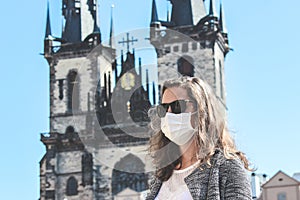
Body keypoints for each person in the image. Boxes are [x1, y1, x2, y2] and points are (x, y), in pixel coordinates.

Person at [146, 76, 252, 200]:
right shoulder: (161, 174)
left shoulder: (226, 167)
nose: (169, 114)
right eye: (163, 109)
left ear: (201, 110)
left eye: (177, 106)